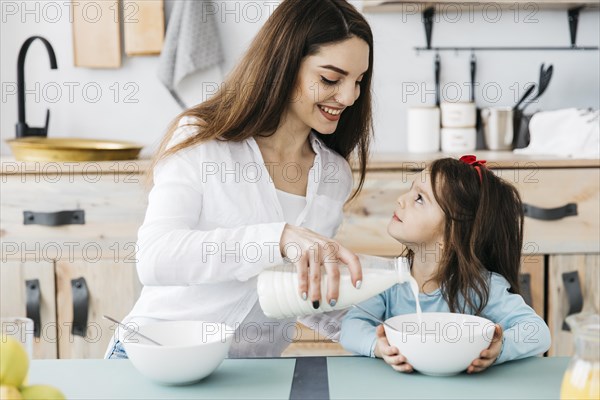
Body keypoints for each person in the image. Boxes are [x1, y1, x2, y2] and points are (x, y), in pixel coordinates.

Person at [105, 0, 374, 359]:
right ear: (284, 64)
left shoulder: (332, 174)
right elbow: (155, 257)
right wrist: (277, 238)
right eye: (330, 78)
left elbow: (304, 294)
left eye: (358, 81)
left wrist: (377, 335)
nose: (349, 96)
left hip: (250, 378)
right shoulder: (203, 139)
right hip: (157, 358)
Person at [340, 155, 552, 373]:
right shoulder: (390, 280)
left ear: (451, 235)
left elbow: (538, 332)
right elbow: (350, 327)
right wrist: (379, 347)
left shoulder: (483, 287)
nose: (401, 199)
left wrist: (500, 347)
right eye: (411, 190)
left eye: (419, 198)